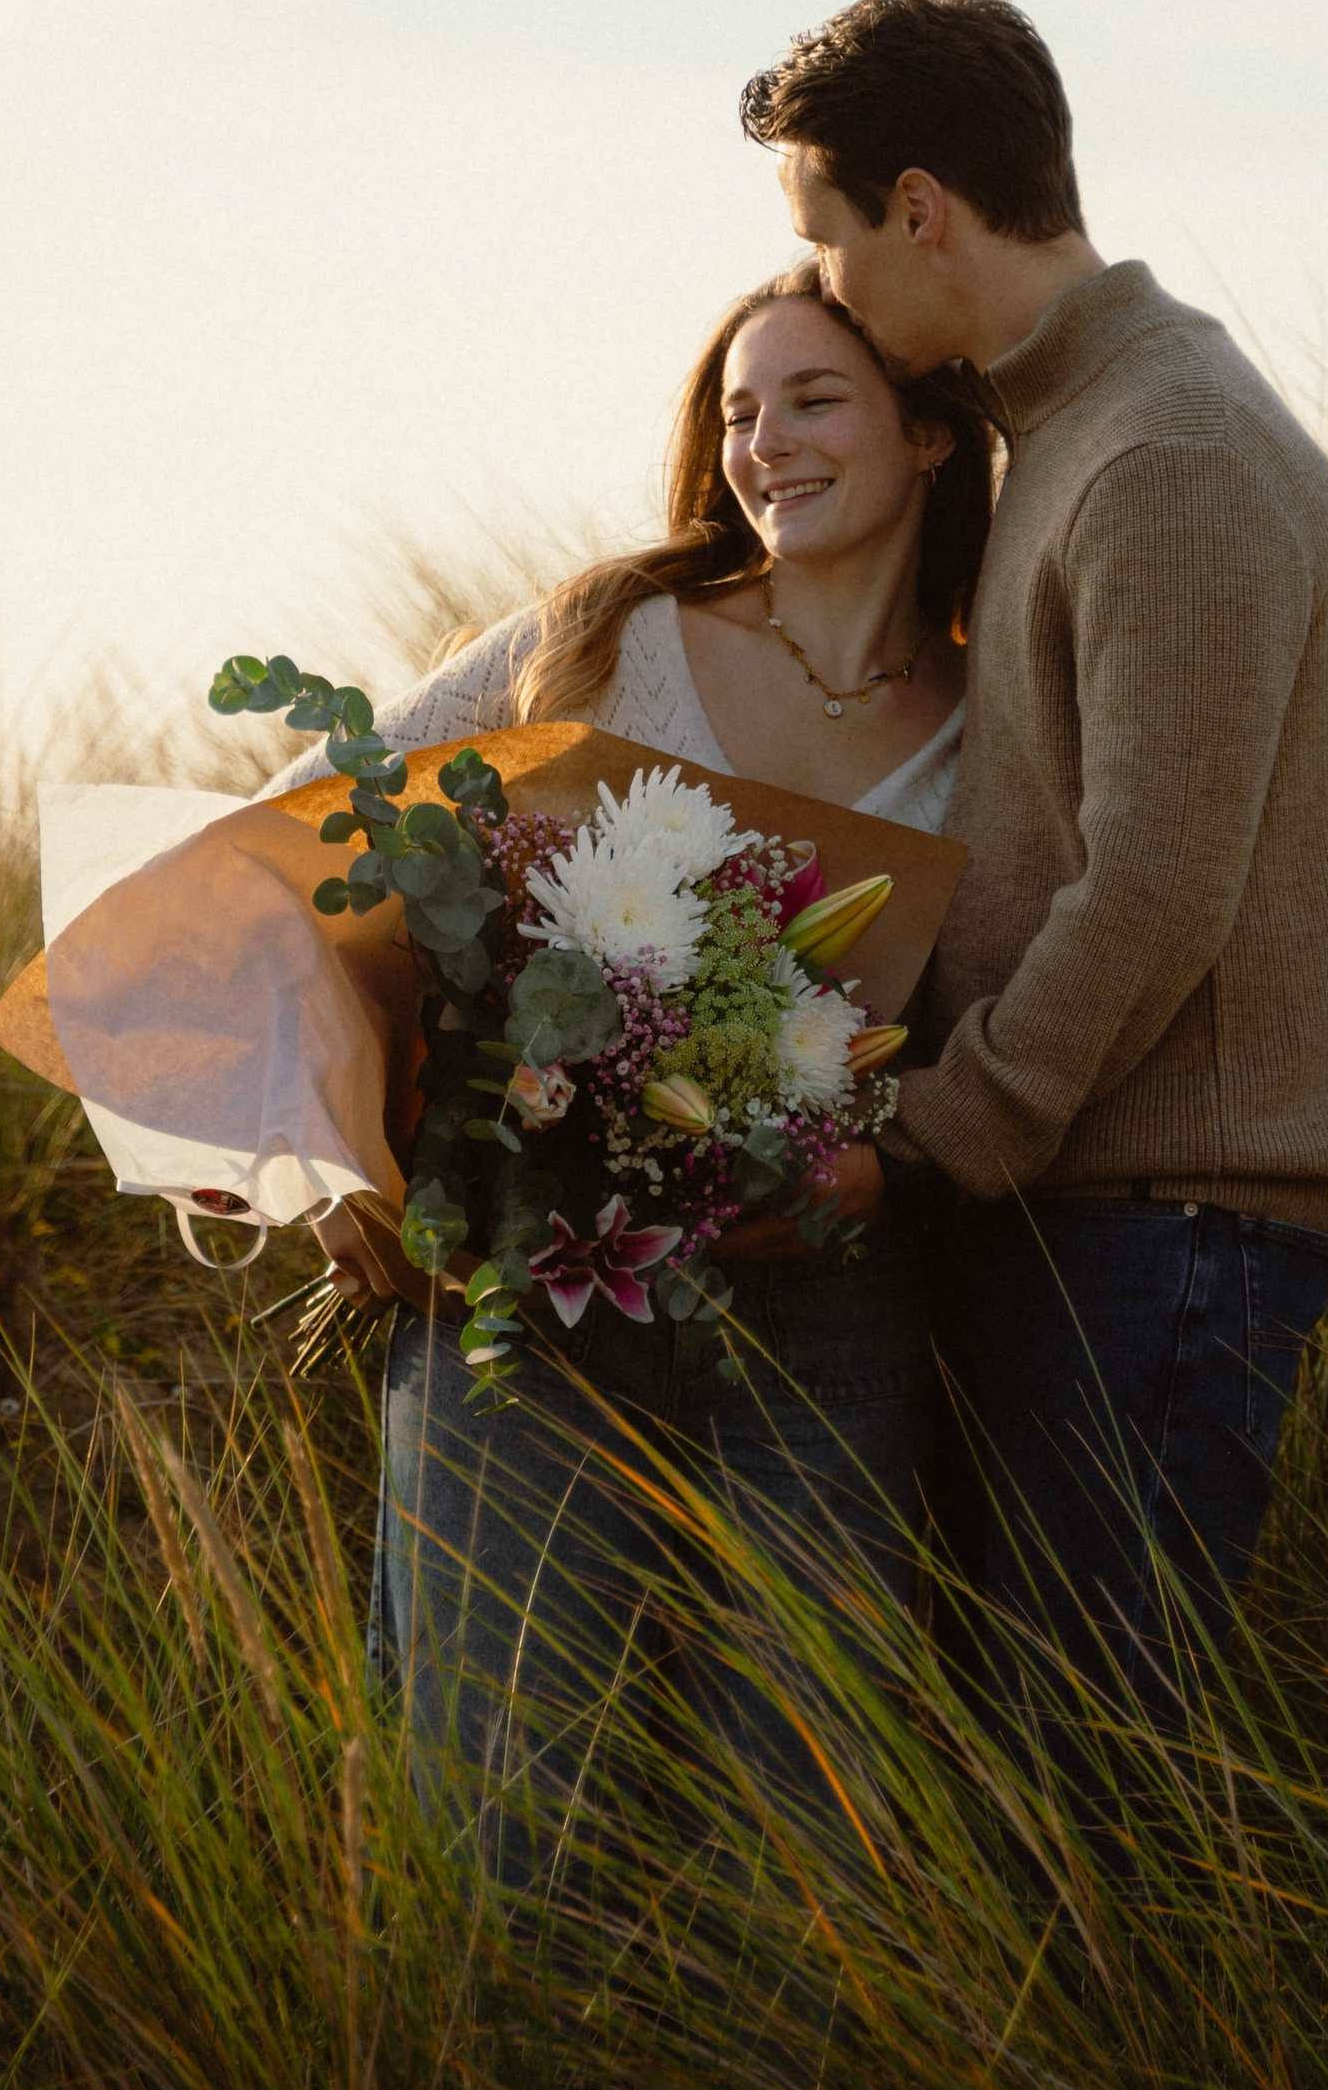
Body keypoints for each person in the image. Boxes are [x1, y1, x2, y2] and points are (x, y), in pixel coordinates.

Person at [737, 0, 1328, 1725]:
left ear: (923, 210)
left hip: (1168, 1226)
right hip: (1092, 1207)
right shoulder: (1076, 424)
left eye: (827, 240)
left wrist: (931, 1139)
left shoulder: (1168, 451)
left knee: (1088, 1785)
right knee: (1031, 1765)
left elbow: (1158, 894)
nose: (826, 289)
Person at [258, 269, 993, 1849]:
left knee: (815, 1810)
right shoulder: (610, 637)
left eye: (814, 400)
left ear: (931, 433)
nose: (766, 444)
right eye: (738, 412)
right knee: (499, 1787)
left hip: (819, 1291)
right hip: (523, 1276)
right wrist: (322, 1143)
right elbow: (302, 832)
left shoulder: (991, 719)